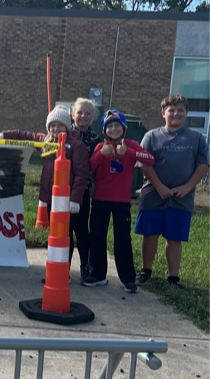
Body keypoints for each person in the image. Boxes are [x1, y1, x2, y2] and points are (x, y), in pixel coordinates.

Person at [0, 106, 90, 267]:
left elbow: (82, 175)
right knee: (56, 235)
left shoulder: (76, 146)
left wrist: (75, 200)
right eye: (52, 125)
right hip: (50, 198)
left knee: (68, 235)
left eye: (60, 125)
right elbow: (24, 135)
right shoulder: (45, 141)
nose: (55, 128)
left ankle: (77, 269)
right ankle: (59, 268)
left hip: (68, 200)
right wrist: (4, 134)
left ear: (67, 127)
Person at [135, 95, 209, 289]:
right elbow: (144, 163)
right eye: (171, 110)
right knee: (150, 235)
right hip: (153, 193)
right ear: (163, 113)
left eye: (180, 110)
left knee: (174, 237)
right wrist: (159, 186)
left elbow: (203, 164)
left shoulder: (196, 138)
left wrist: (187, 187)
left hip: (181, 197)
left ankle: (173, 277)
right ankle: (146, 271)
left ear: (186, 114)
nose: (176, 114)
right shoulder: (151, 136)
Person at [84, 110, 155, 292]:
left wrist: (129, 152)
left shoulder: (131, 145)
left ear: (124, 128)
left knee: (122, 238)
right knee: (97, 236)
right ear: (104, 130)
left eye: (117, 125)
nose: (114, 129)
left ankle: (127, 278)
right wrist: (101, 154)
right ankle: (98, 274)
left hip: (122, 201)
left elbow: (150, 159)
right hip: (100, 199)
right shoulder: (101, 147)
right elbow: (89, 166)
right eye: (110, 126)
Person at [69, 98, 101, 280]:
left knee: (81, 230)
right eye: (79, 112)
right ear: (73, 114)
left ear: (93, 117)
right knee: (64, 232)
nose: (83, 116)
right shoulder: (65, 134)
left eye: (87, 113)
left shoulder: (96, 140)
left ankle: (85, 266)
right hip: (62, 191)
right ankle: (62, 268)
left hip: (82, 194)